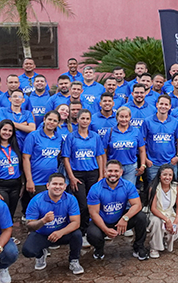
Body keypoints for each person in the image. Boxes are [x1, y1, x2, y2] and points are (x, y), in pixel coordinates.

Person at [22, 173, 84, 275]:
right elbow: (30, 226)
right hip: (42, 234)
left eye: (61, 184)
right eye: (54, 184)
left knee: (77, 234)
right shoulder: (36, 200)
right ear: (48, 185)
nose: (57, 187)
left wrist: (60, 232)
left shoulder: (71, 199)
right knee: (27, 251)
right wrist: (43, 221)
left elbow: (76, 223)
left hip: (62, 234)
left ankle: (74, 260)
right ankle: (40, 254)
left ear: (65, 186)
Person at [87, 160, 149, 260]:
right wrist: (106, 230)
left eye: (116, 171)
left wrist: (125, 218)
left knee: (141, 217)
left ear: (121, 172)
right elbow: (94, 213)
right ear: (105, 172)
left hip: (120, 220)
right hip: (102, 221)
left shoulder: (128, 185)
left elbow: (137, 205)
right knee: (92, 234)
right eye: (110, 171)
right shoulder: (95, 189)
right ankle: (99, 249)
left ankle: (139, 247)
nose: (113, 174)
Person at [62, 109, 105, 237]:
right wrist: (71, 177)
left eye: (87, 119)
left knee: (94, 202)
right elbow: (66, 158)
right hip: (77, 174)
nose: (85, 121)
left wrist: (101, 175)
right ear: (78, 120)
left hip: (93, 173)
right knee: (82, 204)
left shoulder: (95, 136)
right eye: (82, 118)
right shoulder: (71, 137)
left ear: (90, 120)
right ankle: (82, 231)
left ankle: (96, 229)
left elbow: (99, 156)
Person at [146, 165, 178, 258]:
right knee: (157, 222)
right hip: (156, 214)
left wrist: (176, 220)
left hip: (169, 212)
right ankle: (154, 247)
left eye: (170, 175)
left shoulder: (176, 186)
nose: (167, 177)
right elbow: (153, 208)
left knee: (174, 229)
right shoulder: (153, 187)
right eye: (164, 175)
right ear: (159, 176)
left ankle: (164, 241)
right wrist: (166, 220)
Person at [22, 111, 65, 197]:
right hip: (36, 181)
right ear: (44, 119)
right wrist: (29, 180)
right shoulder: (33, 136)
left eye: (55, 121)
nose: (51, 122)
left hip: (52, 182)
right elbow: (25, 158)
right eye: (49, 119)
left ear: (58, 123)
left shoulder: (59, 138)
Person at [144, 94, 178, 182]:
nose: (163, 106)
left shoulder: (175, 122)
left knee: (171, 187)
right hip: (153, 163)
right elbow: (142, 142)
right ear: (157, 105)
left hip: (170, 162)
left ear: (170, 106)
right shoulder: (147, 121)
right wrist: (146, 159)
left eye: (166, 104)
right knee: (153, 188)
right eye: (161, 104)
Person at [105, 107, 147, 184]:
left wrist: (143, 165)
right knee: (115, 188)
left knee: (129, 189)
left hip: (131, 167)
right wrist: (105, 167)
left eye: (126, 117)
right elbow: (104, 152)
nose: (124, 119)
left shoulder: (136, 131)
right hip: (114, 167)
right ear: (117, 117)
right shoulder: (110, 131)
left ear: (130, 117)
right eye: (121, 117)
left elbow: (142, 150)